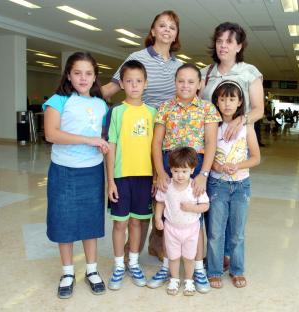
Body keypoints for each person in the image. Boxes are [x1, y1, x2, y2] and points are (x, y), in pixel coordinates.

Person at [102, 10, 183, 261]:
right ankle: (130, 249)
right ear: (153, 31)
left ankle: (157, 244)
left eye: (172, 26)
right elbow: (112, 87)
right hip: (139, 135)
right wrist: (83, 96)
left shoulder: (179, 66)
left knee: (162, 191)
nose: (167, 30)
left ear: (176, 34)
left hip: (169, 138)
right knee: (144, 191)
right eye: (162, 25)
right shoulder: (136, 57)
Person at [149, 63, 221, 293]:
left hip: (196, 165)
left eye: (191, 81)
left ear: (200, 84)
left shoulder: (207, 109)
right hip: (169, 163)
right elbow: (157, 143)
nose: (186, 85)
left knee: (194, 219)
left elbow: (211, 143)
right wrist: (160, 172)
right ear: (175, 82)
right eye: (181, 80)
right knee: (167, 214)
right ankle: (165, 265)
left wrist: (203, 174)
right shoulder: (165, 107)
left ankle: (198, 268)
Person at [43, 52, 109, 299]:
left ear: (95, 77)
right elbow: (51, 134)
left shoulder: (101, 104)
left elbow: (104, 137)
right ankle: (68, 272)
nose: (83, 78)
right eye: (78, 73)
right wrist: (88, 140)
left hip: (92, 171)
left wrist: (103, 144)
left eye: (88, 73)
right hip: (64, 170)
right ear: (69, 75)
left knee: (91, 222)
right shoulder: (58, 100)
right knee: (65, 221)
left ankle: (92, 270)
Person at [200, 21, 264, 270]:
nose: (223, 45)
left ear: (239, 46)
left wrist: (241, 120)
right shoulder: (207, 73)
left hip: (239, 140)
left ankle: (227, 254)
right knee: (213, 205)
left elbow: (259, 108)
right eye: (219, 40)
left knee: (234, 206)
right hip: (211, 143)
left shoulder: (249, 72)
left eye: (229, 41)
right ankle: (215, 253)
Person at [105, 60, 157, 290]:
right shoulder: (116, 112)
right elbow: (111, 146)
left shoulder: (153, 113)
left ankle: (133, 263)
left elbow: (156, 147)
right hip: (121, 177)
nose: (134, 85)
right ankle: (118, 266)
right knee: (120, 224)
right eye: (129, 81)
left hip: (145, 177)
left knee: (137, 222)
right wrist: (110, 181)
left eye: (138, 81)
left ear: (145, 84)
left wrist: (156, 177)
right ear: (122, 84)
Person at [206, 80, 260, 289]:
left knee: (237, 232)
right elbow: (205, 154)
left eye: (232, 99)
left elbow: (255, 157)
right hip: (217, 186)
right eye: (222, 98)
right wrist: (216, 166)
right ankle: (214, 271)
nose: (227, 103)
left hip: (240, 186)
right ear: (216, 101)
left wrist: (237, 165)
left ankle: (237, 270)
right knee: (215, 231)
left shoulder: (247, 127)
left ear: (239, 103)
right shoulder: (211, 126)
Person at [155, 147, 209, 296]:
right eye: (176, 171)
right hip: (171, 228)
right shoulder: (167, 186)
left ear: (192, 170)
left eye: (184, 171)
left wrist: (192, 207)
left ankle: (189, 281)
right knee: (173, 257)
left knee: (189, 257)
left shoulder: (195, 187)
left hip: (191, 229)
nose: (180, 175)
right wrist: (158, 217)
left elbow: (205, 206)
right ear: (170, 170)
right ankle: (174, 279)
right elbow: (160, 202)